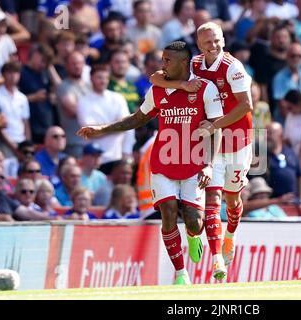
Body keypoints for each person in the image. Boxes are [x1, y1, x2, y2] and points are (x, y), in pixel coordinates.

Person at [77, 41, 224, 284]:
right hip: (163, 164)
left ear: (184, 62)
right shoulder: (157, 90)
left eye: (168, 60)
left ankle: (193, 235)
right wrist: (102, 129)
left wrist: (208, 163)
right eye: (162, 59)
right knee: (167, 213)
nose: (162, 64)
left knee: (195, 223)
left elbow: (216, 128)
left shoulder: (205, 89)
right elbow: (137, 119)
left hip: (194, 165)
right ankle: (180, 273)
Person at [150, 22, 253, 279]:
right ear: (200, 45)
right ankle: (217, 259)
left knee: (232, 199)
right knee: (212, 200)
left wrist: (214, 124)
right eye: (208, 42)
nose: (214, 45)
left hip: (239, 141)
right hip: (212, 144)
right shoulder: (193, 64)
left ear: (223, 40)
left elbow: (246, 106)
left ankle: (231, 232)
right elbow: (156, 77)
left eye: (217, 40)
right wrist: (184, 87)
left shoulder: (233, 67)